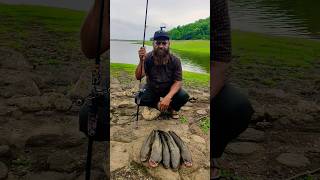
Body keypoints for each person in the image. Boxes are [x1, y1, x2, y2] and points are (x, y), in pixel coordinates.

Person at [211, 0, 254, 179]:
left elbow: (220, 61)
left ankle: (210, 153)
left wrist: (200, 102)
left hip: (205, 82)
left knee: (237, 107)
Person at [135, 30, 189, 119]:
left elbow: (178, 82)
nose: (161, 46)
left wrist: (168, 97)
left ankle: (171, 108)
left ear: (169, 44)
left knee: (183, 96)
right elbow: (138, 76)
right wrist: (141, 61)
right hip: (152, 87)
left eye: (164, 43)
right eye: (158, 43)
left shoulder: (176, 60)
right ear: (153, 44)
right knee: (138, 98)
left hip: (168, 89)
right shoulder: (147, 57)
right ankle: (158, 105)